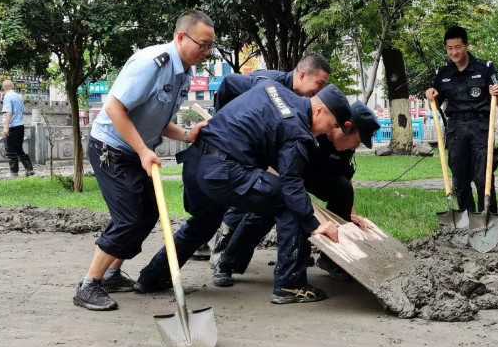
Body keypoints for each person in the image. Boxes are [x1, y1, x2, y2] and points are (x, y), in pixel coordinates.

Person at [135, 82, 352, 304]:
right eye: (331, 124)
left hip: (197, 164)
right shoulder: (297, 129)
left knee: (205, 221)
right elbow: (291, 184)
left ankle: (152, 277)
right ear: (319, 111)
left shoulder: (272, 88)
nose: (328, 131)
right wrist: (316, 224)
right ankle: (290, 284)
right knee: (290, 203)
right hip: (225, 170)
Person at [72, 10, 216, 311]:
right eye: (202, 45)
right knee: (129, 218)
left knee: (148, 213)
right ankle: (89, 284)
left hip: (134, 151)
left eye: (210, 46)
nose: (207, 52)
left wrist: (189, 135)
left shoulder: (183, 73)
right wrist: (143, 151)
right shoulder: (152, 63)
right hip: (110, 149)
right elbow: (114, 108)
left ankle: (111, 274)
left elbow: (158, 120)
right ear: (181, 37)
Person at [212, 101, 380, 287]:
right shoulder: (311, 129)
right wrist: (296, 199)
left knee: (343, 189)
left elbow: (346, 178)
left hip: (310, 174)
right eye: (356, 141)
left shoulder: (343, 149)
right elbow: (273, 164)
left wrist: (350, 216)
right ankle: (227, 262)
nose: (354, 148)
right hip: (279, 171)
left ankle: (330, 259)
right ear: (346, 127)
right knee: (267, 207)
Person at [189, 54, 332, 261]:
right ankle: (221, 257)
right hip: (231, 158)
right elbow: (229, 82)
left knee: (274, 196)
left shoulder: (300, 101)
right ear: (301, 75)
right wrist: (221, 121)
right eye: (319, 84)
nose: (319, 92)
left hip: (255, 157)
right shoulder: (267, 83)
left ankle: (241, 257)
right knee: (251, 200)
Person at [425, 25, 498, 214]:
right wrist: (431, 95)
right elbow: (435, 102)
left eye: (458, 47)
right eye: (450, 48)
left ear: (466, 46)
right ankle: (468, 220)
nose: (454, 52)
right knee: (459, 180)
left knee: (483, 178)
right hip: (455, 130)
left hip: (480, 129)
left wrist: (497, 94)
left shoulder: (485, 69)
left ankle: (488, 218)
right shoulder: (443, 74)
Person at [1, 80, 34, 177]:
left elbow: (8, 112)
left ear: (4, 87)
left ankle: (14, 172)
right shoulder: (19, 96)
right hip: (20, 126)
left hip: (12, 126)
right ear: (12, 86)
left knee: (10, 150)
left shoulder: (7, 96)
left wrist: (6, 128)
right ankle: (29, 169)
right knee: (19, 149)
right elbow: (22, 111)